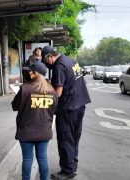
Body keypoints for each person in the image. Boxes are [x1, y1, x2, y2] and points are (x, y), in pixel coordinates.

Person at [41, 46, 91, 179]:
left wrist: (47, 89)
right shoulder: (71, 60)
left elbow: (58, 93)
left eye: (46, 61)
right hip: (80, 105)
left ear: (50, 57)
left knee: (65, 139)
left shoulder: (59, 66)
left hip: (68, 109)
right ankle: (73, 165)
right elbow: (69, 81)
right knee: (74, 138)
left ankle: (67, 171)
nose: (47, 65)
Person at [12, 61, 58, 180]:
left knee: (27, 158)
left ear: (34, 74)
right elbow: (54, 110)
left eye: (30, 71)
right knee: (42, 157)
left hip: (26, 131)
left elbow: (14, 106)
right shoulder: (52, 91)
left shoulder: (25, 89)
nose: (28, 73)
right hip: (44, 131)